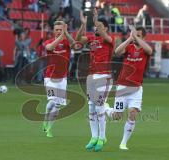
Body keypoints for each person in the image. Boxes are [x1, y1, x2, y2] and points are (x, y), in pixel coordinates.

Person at [106, 26, 152, 150]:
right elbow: (117, 51)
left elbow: (149, 50)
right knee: (117, 116)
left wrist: (136, 37)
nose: (136, 37)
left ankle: (123, 143)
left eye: (139, 35)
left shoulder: (145, 50)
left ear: (143, 37)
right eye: (134, 34)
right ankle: (106, 109)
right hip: (123, 87)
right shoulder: (129, 48)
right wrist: (129, 39)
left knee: (132, 113)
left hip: (136, 89)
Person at [76, 9, 114, 152]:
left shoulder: (110, 39)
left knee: (99, 107)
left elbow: (105, 35)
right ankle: (94, 136)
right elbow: (79, 39)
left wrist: (97, 20)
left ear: (105, 28)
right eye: (96, 26)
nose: (97, 28)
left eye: (100, 26)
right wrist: (83, 25)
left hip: (104, 76)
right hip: (91, 77)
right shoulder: (92, 39)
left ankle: (102, 137)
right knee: (91, 108)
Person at [42, 21, 75, 138]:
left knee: (56, 105)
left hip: (62, 79)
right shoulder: (49, 42)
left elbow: (74, 44)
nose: (59, 32)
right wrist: (61, 37)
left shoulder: (66, 42)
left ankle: (49, 128)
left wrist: (66, 34)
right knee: (53, 102)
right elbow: (49, 47)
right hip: (50, 78)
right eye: (57, 30)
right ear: (53, 31)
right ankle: (46, 122)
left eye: (61, 30)